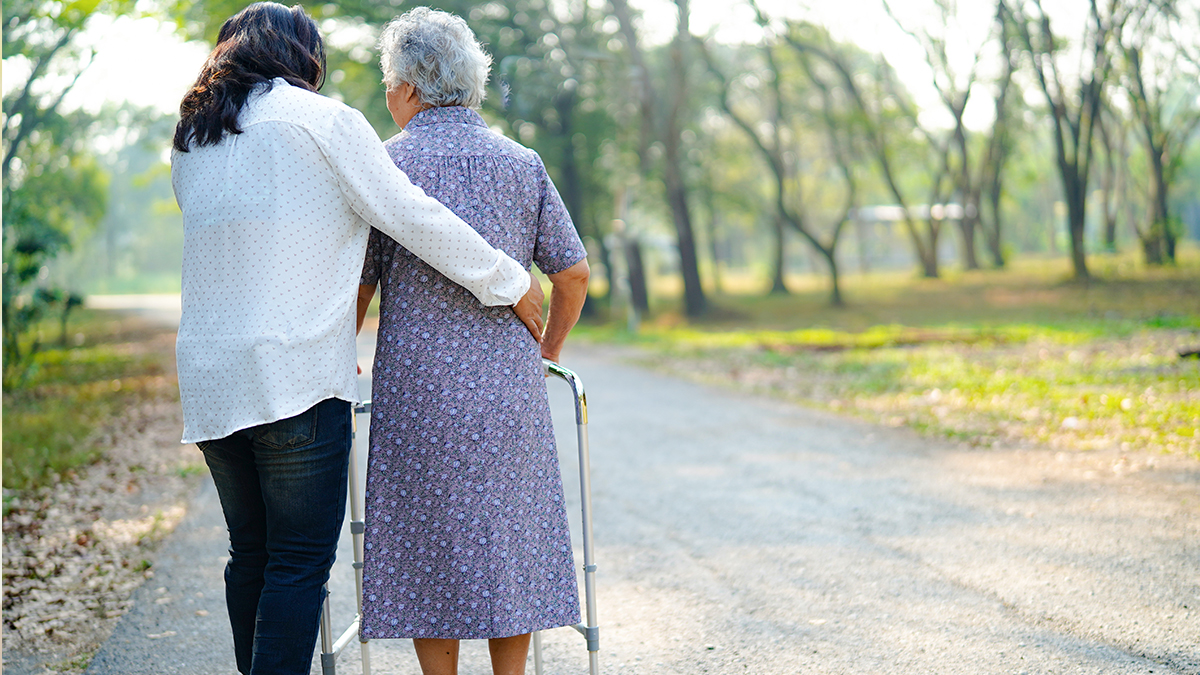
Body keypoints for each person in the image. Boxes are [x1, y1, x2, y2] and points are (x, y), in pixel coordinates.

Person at [169, 4, 547, 674]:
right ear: (302, 56)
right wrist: (509, 278)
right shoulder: (323, 122)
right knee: (295, 563)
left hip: (210, 378)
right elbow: (410, 215)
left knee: (249, 552)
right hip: (295, 375)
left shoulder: (194, 136)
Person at [354, 8, 591, 675]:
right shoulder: (521, 163)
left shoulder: (384, 167)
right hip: (508, 392)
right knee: (505, 545)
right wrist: (549, 350)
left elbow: (358, 287)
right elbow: (571, 272)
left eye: (387, 81)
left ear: (406, 86)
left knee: (431, 544)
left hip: (417, 393)